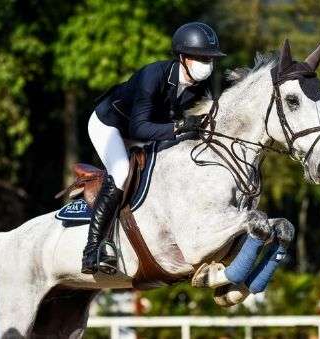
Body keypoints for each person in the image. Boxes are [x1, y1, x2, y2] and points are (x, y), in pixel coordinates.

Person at [82, 22, 226, 274]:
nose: (208, 64)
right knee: (121, 172)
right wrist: (179, 127)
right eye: (202, 58)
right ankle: (92, 251)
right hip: (111, 126)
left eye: (211, 58)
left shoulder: (198, 88)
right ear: (183, 58)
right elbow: (139, 128)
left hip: (146, 130)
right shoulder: (153, 76)